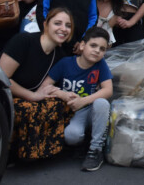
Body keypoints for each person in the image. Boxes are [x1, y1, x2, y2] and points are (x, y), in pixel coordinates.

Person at [0, 8, 75, 160]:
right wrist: (32, 96)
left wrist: (65, 95)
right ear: (46, 24)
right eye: (57, 23)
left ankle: (42, 152)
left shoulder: (59, 56)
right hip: (1, 94)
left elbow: (50, 88)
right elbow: (2, 78)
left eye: (68, 25)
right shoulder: (24, 41)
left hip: (30, 96)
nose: (63, 29)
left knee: (62, 105)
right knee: (29, 108)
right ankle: (16, 152)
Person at [42, 27, 113, 172]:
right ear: (82, 45)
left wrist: (84, 100)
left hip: (90, 109)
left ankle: (96, 149)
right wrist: (61, 94)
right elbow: (45, 85)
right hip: (72, 112)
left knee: (102, 103)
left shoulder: (100, 65)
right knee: (72, 137)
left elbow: (108, 90)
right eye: (93, 45)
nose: (97, 51)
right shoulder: (66, 63)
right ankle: (85, 141)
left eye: (102, 49)